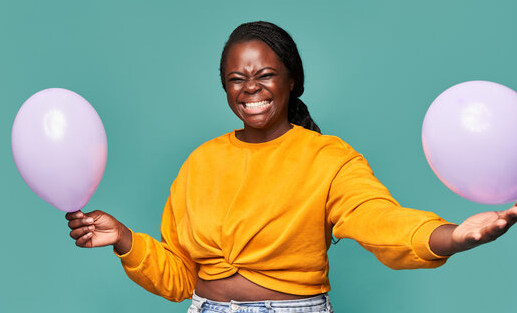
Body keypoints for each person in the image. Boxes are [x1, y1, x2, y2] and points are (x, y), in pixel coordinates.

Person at [66, 21, 517, 313]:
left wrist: (452, 237)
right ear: (225, 89)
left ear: (292, 79)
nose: (250, 89)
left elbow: (382, 221)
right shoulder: (200, 162)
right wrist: (125, 239)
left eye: (264, 74)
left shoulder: (327, 157)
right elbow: (182, 275)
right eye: (236, 79)